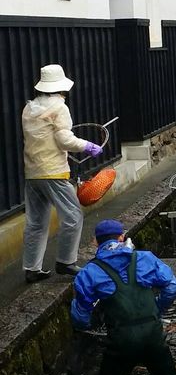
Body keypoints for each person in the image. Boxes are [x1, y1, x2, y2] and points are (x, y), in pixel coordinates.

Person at [71, 219, 176, 375]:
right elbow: (173, 286)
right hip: (153, 335)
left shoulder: (88, 272)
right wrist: (157, 308)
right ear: (122, 237)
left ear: (96, 241)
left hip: (121, 340)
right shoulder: (145, 258)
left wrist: (87, 325)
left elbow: (80, 316)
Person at [22, 64, 103, 283]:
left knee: (36, 222)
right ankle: (65, 262)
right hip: (53, 172)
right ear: (61, 88)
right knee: (73, 216)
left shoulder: (29, 108)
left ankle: (32, 268)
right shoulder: (59, 107)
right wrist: (89, 146)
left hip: (32, 172)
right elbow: (64, 140)